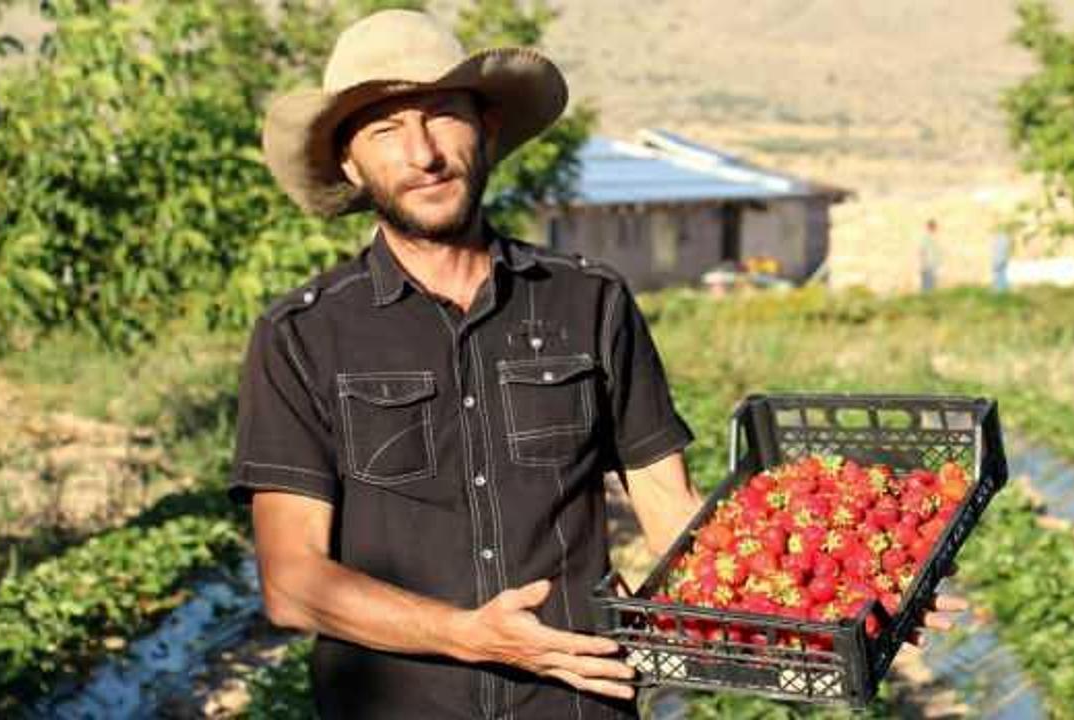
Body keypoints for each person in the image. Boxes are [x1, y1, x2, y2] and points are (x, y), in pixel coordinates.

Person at [230, 9, 964, 718]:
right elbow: (294, 583)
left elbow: (676, 520)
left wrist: (852, 596)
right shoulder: (303, 336)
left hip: (581, 705)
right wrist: (466, 634)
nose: (423, 154)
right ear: (351, 164)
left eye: (442, 116)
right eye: (386, 129)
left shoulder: (589, 302)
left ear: (485, 129)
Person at [919, 219, 940, 292]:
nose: (935, 229)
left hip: (932, 265)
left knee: (931, 285)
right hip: (928, 265)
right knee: (927, 286)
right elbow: (923, 251)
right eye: (933, 227)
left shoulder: (933, 238)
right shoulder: (926, 238)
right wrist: (924, 264)